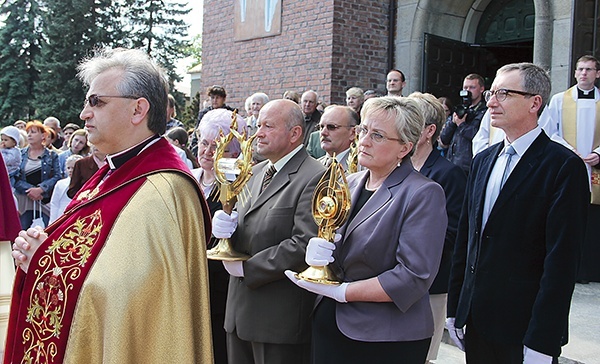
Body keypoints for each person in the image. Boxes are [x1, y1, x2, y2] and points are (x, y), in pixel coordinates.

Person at [6, 47, 213, 363]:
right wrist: (45, 249)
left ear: (138, 110)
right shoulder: (113, 173)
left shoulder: (163, 189)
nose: (84, 114)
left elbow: (127, 301)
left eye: (96, 102)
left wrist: (47, 263)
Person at [286, 96, 447, 364]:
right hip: (331, 326)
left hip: (384, 339)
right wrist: (319, 253)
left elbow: (413, 276)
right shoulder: (349, 183)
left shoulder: (423, 193)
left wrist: (344, 292)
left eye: (378, 135)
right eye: (363, 131)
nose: (364, 141)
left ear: (404, 148)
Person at [446, 63, 590, 364]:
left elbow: (562, 260)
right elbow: (467, 240)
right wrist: (455, 309)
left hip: (524, 328)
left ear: (534, 102)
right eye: (491, 93)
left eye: (503, 93)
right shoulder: (483, 160)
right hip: (477, 320)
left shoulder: (563, 166)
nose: (491, 101)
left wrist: (544, 338)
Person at [212, 99, 325, 364]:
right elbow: (248, 226)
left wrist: (249, 268)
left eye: (268, 126)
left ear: (295, 133)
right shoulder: (254, 171)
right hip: (239, 314)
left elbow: (304, 243)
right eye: (258, 124)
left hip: (278, 322)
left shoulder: (315, 175)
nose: (258, 132)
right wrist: (226, 231)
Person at [408, 92, 466, 363]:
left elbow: (452, 234)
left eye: (411, 122)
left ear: (430, 130)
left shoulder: (448, 174)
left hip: (429, 284)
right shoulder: (396, 167)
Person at [191, 108, 246, 364]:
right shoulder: (189, 177)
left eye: (217, 147)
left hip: (218, 281)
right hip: (185, 276)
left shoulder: (238, 187)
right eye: (204, 143)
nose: (207, 151)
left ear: (234, 153)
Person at [543, 54, 600, 283]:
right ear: (574, 73)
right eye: (580, 69)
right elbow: (550, 130)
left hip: (595, 168)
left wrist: (598, 154)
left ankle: (592, 269)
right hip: (568, 163)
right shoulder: (559, 100)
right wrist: (569, 151)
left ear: (597, 74)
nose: (583, 73)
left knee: (592, 220)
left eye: (588, 69)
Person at [13, 121, 61, 228]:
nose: (29, 135)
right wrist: (31, 190)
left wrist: (41, 189)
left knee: (46, 230)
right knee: (22, 230)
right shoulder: (20, 154)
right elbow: (15, 177)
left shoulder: (52, 156)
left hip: (43, 200)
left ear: (43, 135)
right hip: (23, 201)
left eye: (33, 132)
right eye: (28, 132)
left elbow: (57, 176)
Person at [439, 73, 487, 175]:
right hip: (451, 164)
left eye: (472, 87)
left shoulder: (485, 112)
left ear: (481, 89)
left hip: (468, 168)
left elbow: (479, 136)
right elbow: (444, 138)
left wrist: (462, 125)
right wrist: (453, 122)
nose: (468, 91)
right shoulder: (459, 110)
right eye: (465, 87)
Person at [191, 85, 236, 154]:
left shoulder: (230, 113)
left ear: (223, 99)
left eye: (217, 98)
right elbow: (197, 131)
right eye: (212, 98)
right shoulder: (204, 113)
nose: (215, 100)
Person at [316, 105, 358, 172]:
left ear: (353, 133)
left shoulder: (361, 169)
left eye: (331, 127)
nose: (323, 132)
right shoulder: (314, 167)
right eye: (321, 127)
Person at [49, 154, 83, 223]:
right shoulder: (60, 184)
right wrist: (52, 221)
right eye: (68, 168)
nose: (70, 170)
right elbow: (54, 203)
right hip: (61, 214)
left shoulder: (84, 184)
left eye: (73, 168)